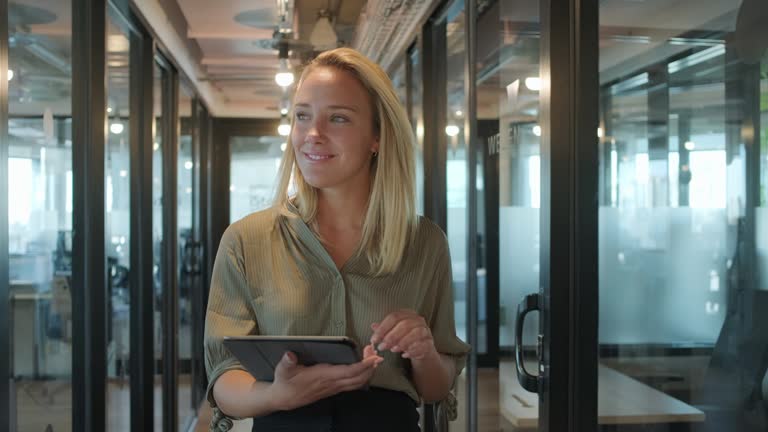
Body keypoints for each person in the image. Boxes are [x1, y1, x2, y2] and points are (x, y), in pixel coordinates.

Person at [204, 47, 470, 432]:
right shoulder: (246, 240)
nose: (313, 134)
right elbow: (224, 376)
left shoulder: (423, 242)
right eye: (302, 117)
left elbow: (435, 387)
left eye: (339, 118)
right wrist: (279, 395)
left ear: (376, 137)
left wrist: (423, 350)